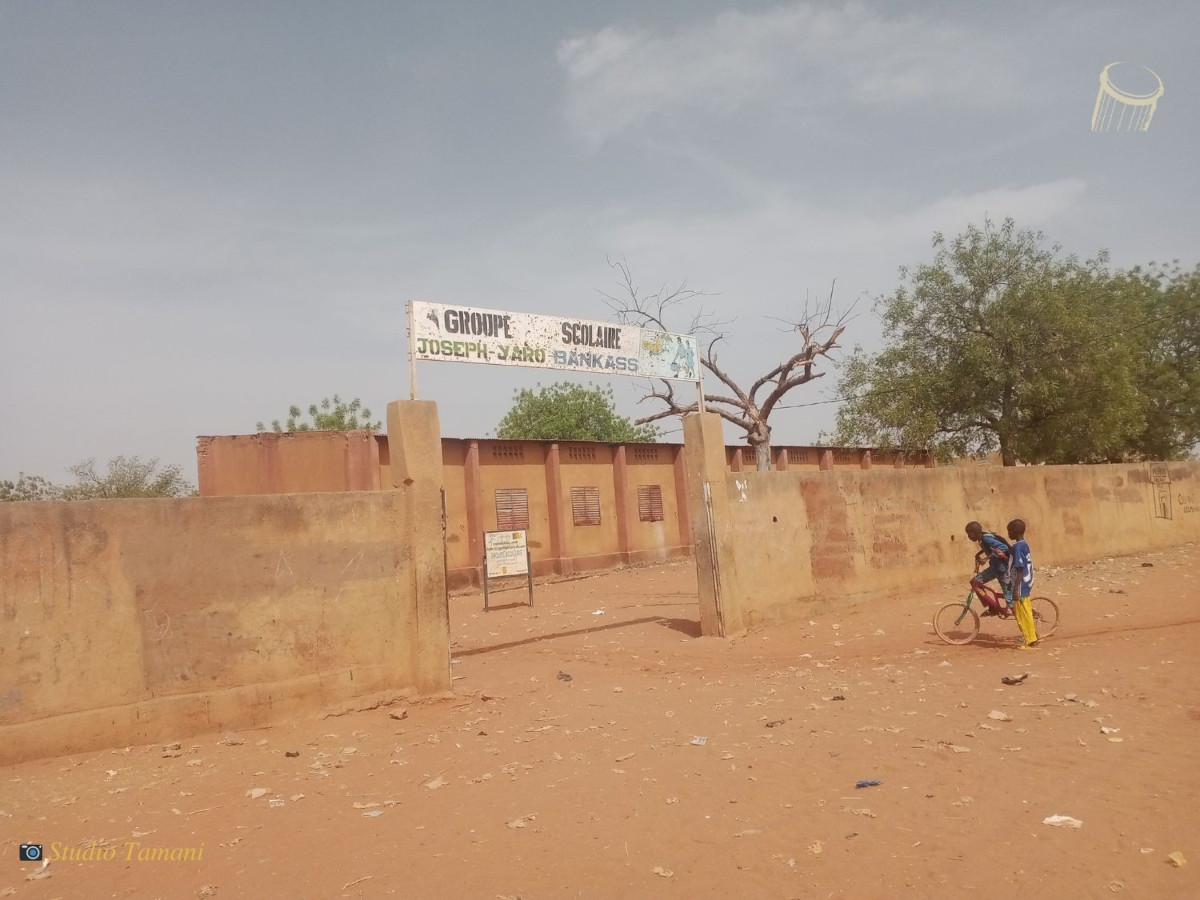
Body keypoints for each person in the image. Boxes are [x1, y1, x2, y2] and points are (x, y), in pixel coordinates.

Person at [964, 521, 1012, 616]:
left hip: (1002, 569)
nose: (969, 537)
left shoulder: (986, 538)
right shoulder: (982, 539)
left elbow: (1003, 547)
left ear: (974, 532)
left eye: (969, 534)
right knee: (975, 582)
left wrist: (986, 558)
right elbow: (990, 547)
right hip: (995, 568)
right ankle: (993, 607)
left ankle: (1029, 613)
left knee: (1009, 598)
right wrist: (978, 554)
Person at [1007, 518, 1039, 649]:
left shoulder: (1018, 546)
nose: (1008, 534)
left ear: (1014, 531)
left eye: (1009, 531)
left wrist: (1015, 589)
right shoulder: (1023, 544)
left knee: (1024, 613)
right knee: (1024, 612)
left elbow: (1020, 568)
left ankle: (1030, 639)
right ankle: (1030, 638)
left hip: (1021, 584)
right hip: (1026, 582)